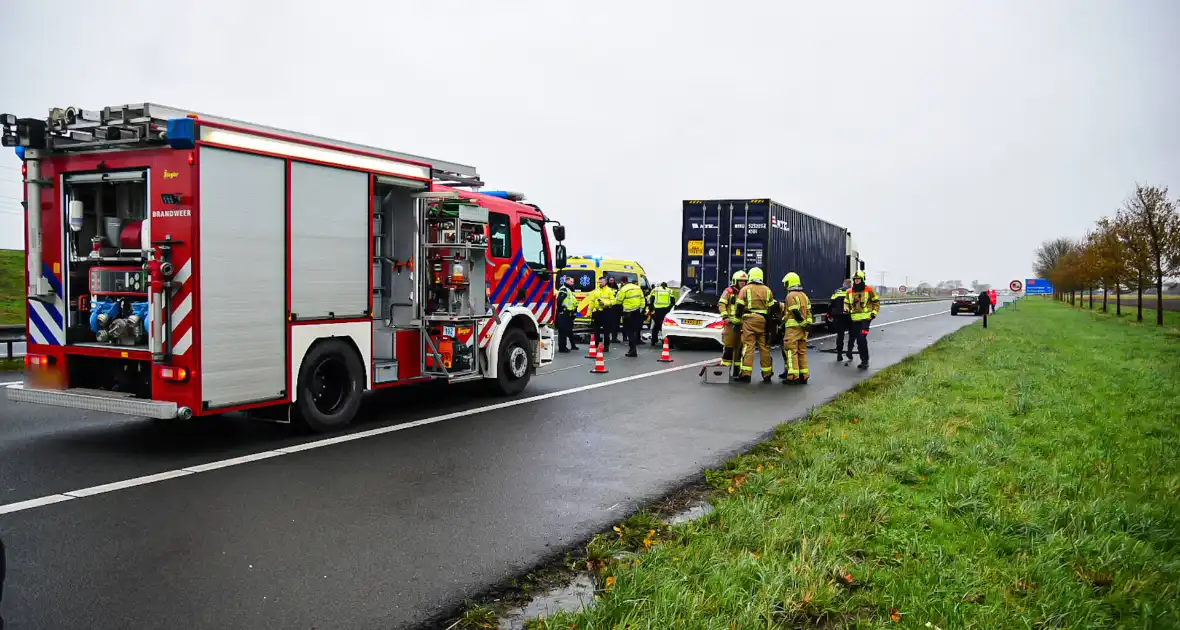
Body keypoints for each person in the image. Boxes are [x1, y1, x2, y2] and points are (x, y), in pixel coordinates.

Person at [734, 267, 776, 382]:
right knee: (764, 347)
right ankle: (767, 374)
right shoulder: (767, 290)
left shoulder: (745, 289)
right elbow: (772, 308)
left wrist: (737, 320)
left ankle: (746, 374)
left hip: (749, 320)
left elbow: (739, 307)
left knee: (748, 346)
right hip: (763, 321)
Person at [780, 272, 813, 384]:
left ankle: (793, 376)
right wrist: (807, 324)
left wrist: (802, 323)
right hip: (803, 331)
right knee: (801, 352)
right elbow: (808, 312)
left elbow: (795, 312)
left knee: (791, 351)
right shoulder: (804, 295)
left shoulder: (790, 296)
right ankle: (804, 375)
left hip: (793, 330)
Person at [846, 270, 880, 369]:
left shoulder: (869, 290)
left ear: (862, 279)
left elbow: (876, 302)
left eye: (858, 279)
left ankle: (865, 361)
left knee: (862, 339)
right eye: (855, 279)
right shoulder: (849, 291)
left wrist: (874, 313)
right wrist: (846, 309)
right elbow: (846, 302)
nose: (856, 281)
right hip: (855, 320)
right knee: (858, 341)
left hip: (866, 319)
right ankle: (863, 360)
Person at [719, 270, 748, 374]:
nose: (743, 283)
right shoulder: (729, 291)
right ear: (735, 281)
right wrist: (725, 317)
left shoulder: (746, 292)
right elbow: (721, 304)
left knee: (739, 349)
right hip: (730, 324)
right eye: (740, 281)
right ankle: (724, 372)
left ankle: (737, 372)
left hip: (742, 324)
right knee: (729, 348)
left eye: (745, 281)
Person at [615, 275, 646, 357]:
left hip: (628, 312)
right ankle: (632, 350)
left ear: (622, 282)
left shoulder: (623, 289)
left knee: (629, 332)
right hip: (637, 312)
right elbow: (642, 299)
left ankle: (633, 350)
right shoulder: (637, 288)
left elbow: (618, 301)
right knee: (634, 331)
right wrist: (641, 308)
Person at [586, 277, 615, 352]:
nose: (600, 284)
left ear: (605, 282)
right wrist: (589, 313)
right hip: (597, 312)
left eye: (601, 282)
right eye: (599, 282)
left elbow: (613, 301)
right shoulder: (596, 291)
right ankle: (596, 345)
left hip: (606, 311)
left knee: (606, 331)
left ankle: (606, 346)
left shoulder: (609, 290)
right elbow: (591, 303)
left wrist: (605, 303)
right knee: (596, 330)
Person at [830, 279, 853, 363]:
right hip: (849, 317)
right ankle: (849, 352)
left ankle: (839, 354)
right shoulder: (852, 292)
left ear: (843, 284)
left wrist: (830, 314)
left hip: (839, 317)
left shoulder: (837, 292)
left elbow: (831, 304)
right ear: (850, 285)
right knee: (852, 335)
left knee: (840, 336)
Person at [555, 275, 580, 353]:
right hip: (564, 313)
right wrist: (562, 310)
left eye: (573, 282)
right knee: (563, 331)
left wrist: (574, 312)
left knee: (569, 330)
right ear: (567, 281)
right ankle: (562, 348)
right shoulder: (564, 289)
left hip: (569, 314)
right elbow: (559, 301)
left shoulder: (569, 290)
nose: (572, 283)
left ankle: (573, 345)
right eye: (571, 281)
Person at [647, 281, 675, 347]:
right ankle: (665, 341)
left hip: (657, 310)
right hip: (666, 310)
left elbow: (651, 300)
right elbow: (673, 301)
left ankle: (653, 341)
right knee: (666, 325)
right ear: (666, 286)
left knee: (656, 325)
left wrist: (651, 309)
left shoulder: (655, 290)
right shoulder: (669, 290)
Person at [605, 276, 622, 344]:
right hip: (609, 308)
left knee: (616, 324)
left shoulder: (617, 288)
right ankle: (608, 338)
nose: (611, 281)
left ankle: (614, 338)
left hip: (616, 308)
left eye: (612, 280)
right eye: (610, 280)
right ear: (608, 281)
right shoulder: (606, 288)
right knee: (608, 324)